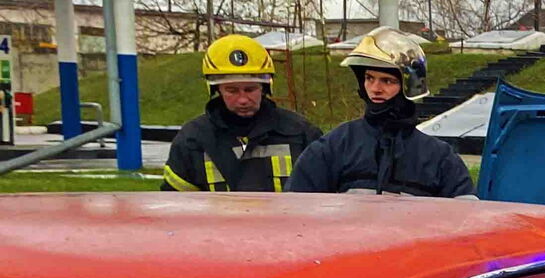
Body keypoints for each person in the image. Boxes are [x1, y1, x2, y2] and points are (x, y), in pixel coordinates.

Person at [286, 28, 473, 197]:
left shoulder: (438, 157)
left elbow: (467, 220)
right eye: (369, 78)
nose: (375, 88)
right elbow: (297, 211)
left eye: (387, 81)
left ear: (409, 86)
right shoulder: (335, 146)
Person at [162, 34, 322, 193]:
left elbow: (325, 196)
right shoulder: (193, 139)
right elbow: (175, 205)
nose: (243, 99)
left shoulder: (300, 133)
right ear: (216, 89)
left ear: (265, 88)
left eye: (250, 89)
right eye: (232, 91)